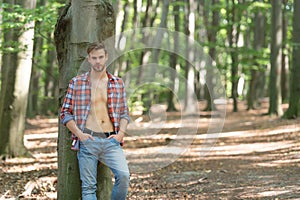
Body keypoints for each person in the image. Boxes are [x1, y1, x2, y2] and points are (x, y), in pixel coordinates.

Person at [60, 42, 130, 200]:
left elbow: (124, 112)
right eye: (94, 58)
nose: (98, 61)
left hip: (111, 140)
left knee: (124, 176)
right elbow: (65, 112)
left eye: (100, 57)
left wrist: (121, 134)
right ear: (89, 59)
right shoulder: (77, 83)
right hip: (88, 140)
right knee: (89, 188)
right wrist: (79, 134)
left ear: (106, 57)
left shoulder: (117, 83)